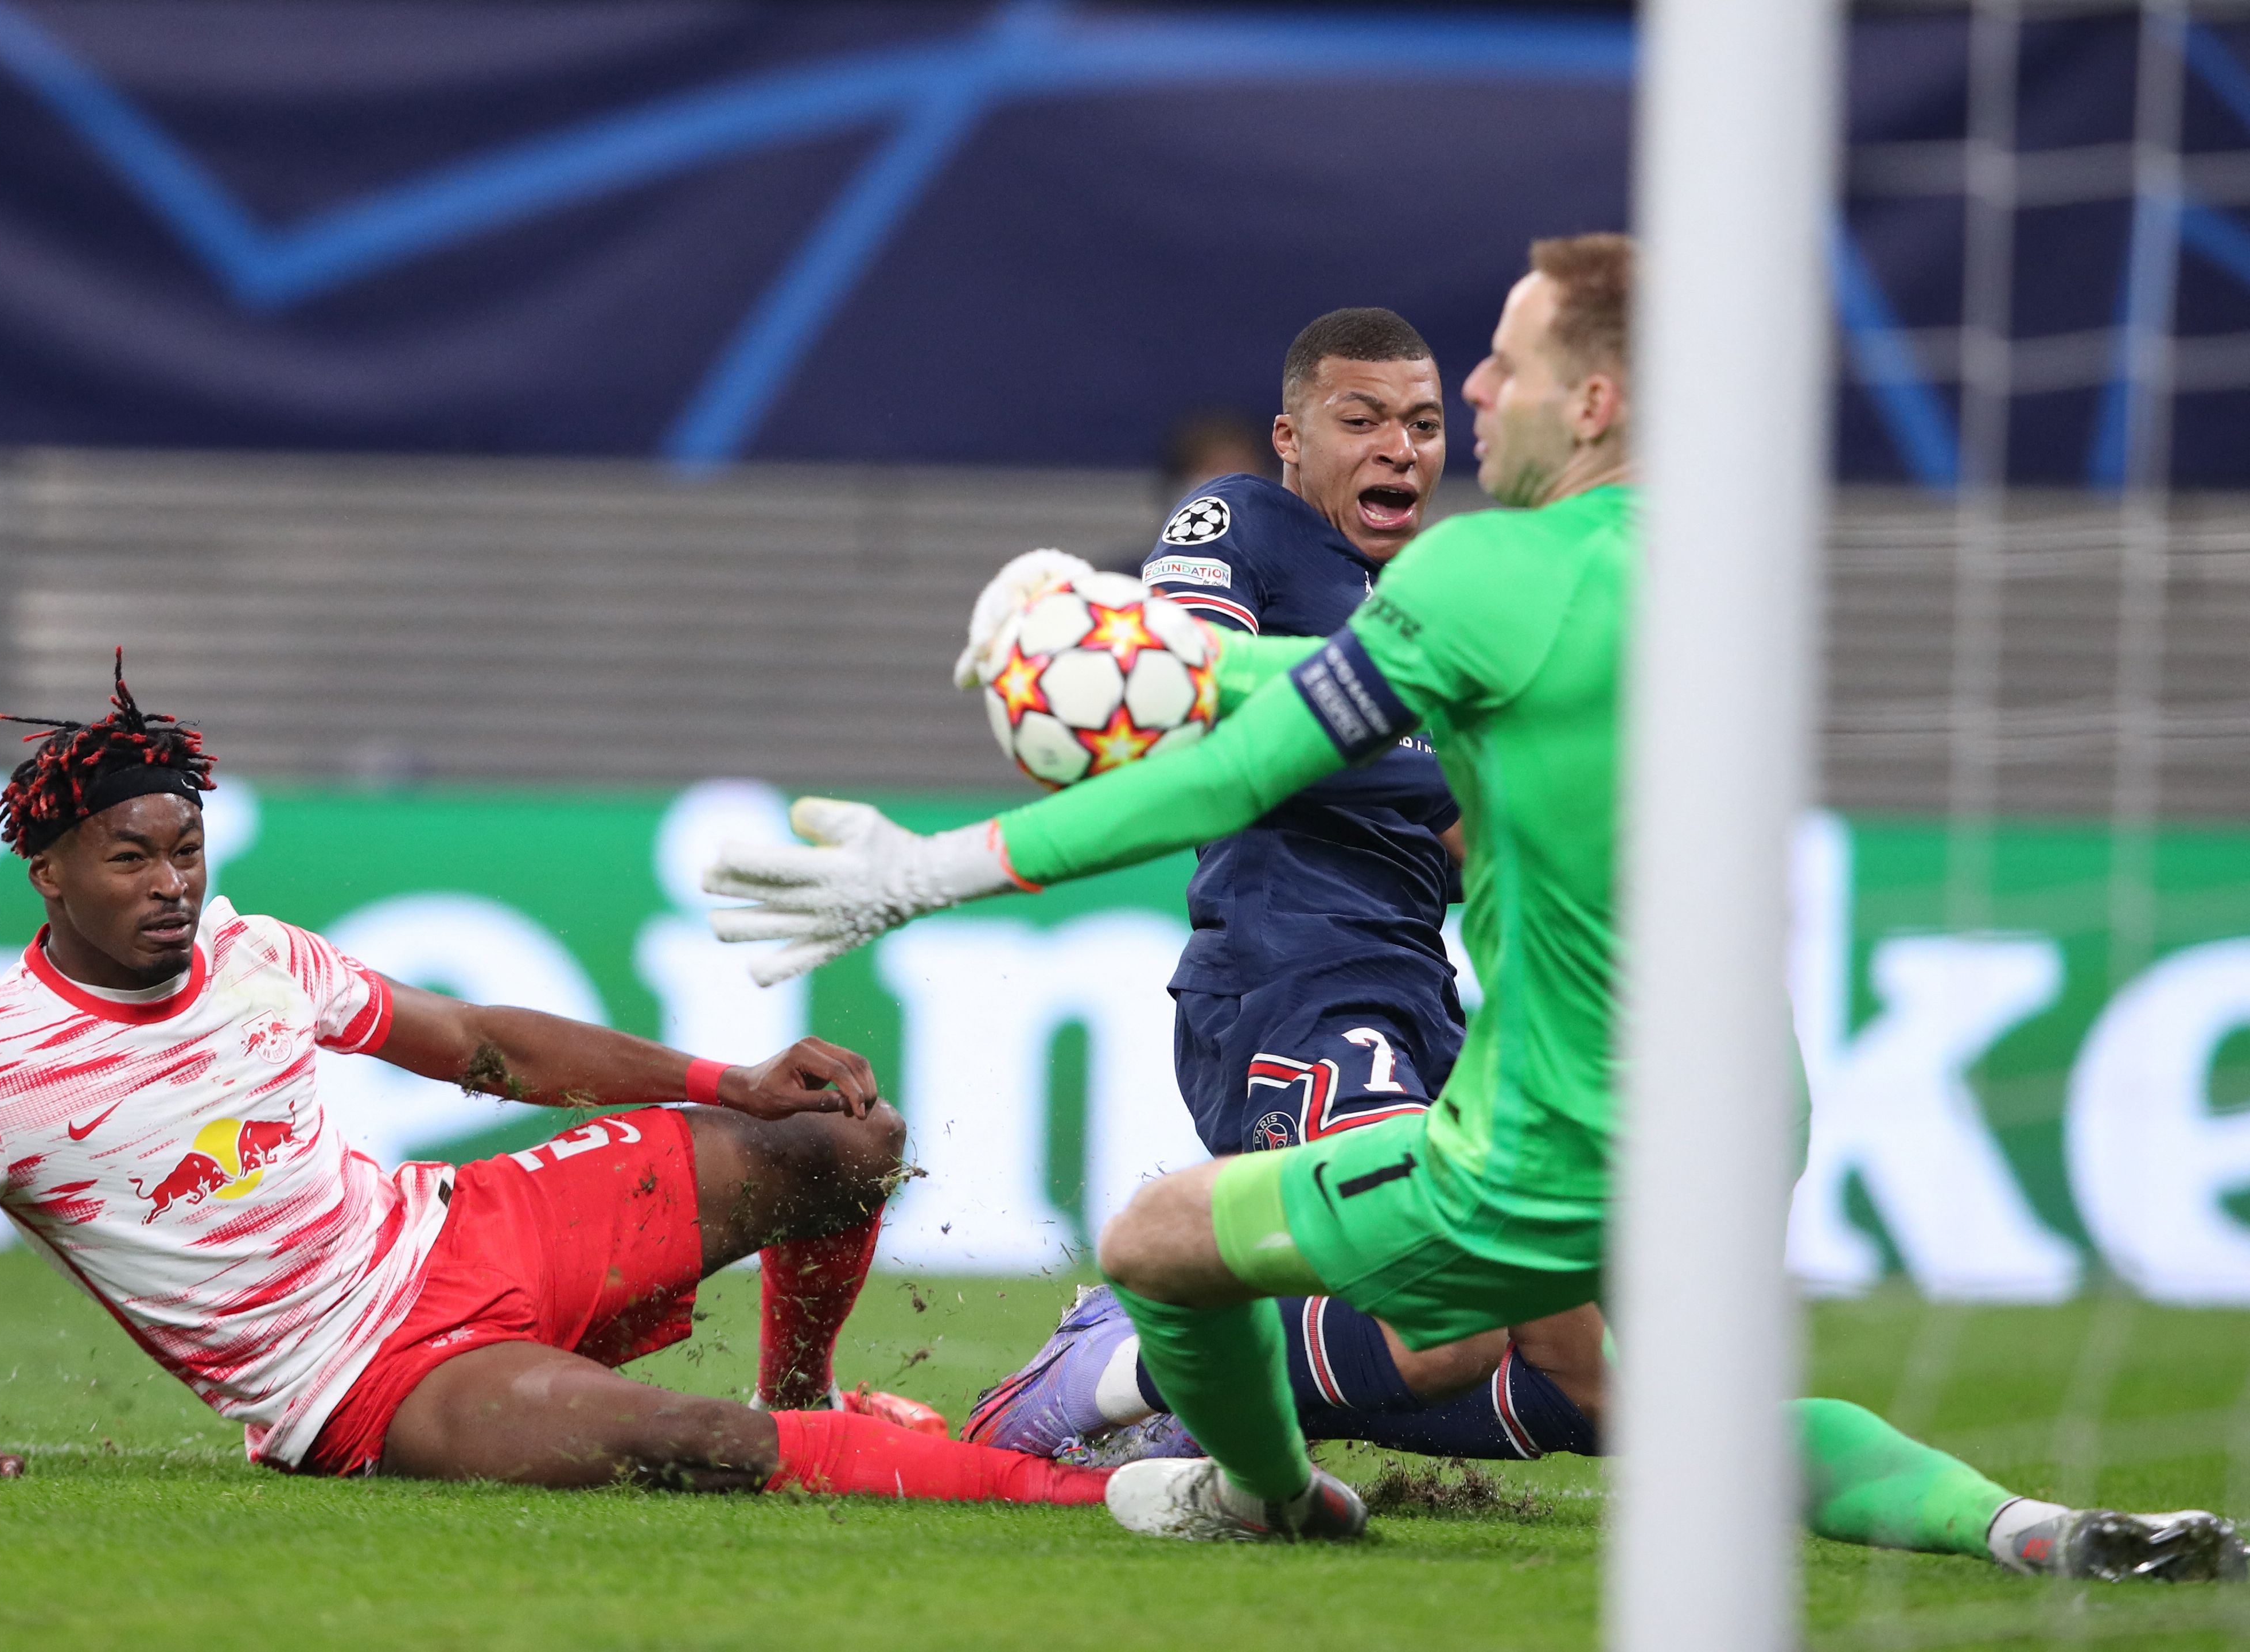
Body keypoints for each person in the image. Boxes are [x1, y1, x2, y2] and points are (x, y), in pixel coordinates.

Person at [702, 236, 2247, 1580]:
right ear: (1297, 438)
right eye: (1385, 414)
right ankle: (2024, 1528)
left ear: (1591, 401)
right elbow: (1277, 712)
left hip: (1533, 1082)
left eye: (1482, 383)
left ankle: (1164, 1411)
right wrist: (1147, 648)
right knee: (1636, 1402)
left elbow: (1264, 744)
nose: (1453, 420)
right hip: (1533, 1041)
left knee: (1395, 1324)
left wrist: (946, 857)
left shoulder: (1475, 583)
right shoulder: (1702, 570)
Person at [0, 659, 1107, 1511]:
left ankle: (806, 1394)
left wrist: (738, 1081)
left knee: (846, 1143)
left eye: (185, 851)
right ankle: (1094, 1500)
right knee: (691, 1446)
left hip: (464, 1229)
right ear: (50, 874)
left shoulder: (258, 957)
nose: (170, 885)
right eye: (127, 859)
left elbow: (489, 1045)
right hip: (365, 1382)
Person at [961, 309, 1594, 1470]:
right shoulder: (1239, 520)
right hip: (1293, 982)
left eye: (1422, 423)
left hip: (1423, 995)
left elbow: (1470, 829)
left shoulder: (1436, 600)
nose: (1399, 448)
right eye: (1362, 421)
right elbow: (1185, 694)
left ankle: (1212, 1401)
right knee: (1439, 1322)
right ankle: (1108, 1365)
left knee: (1596, 1384)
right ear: (1291, 439)